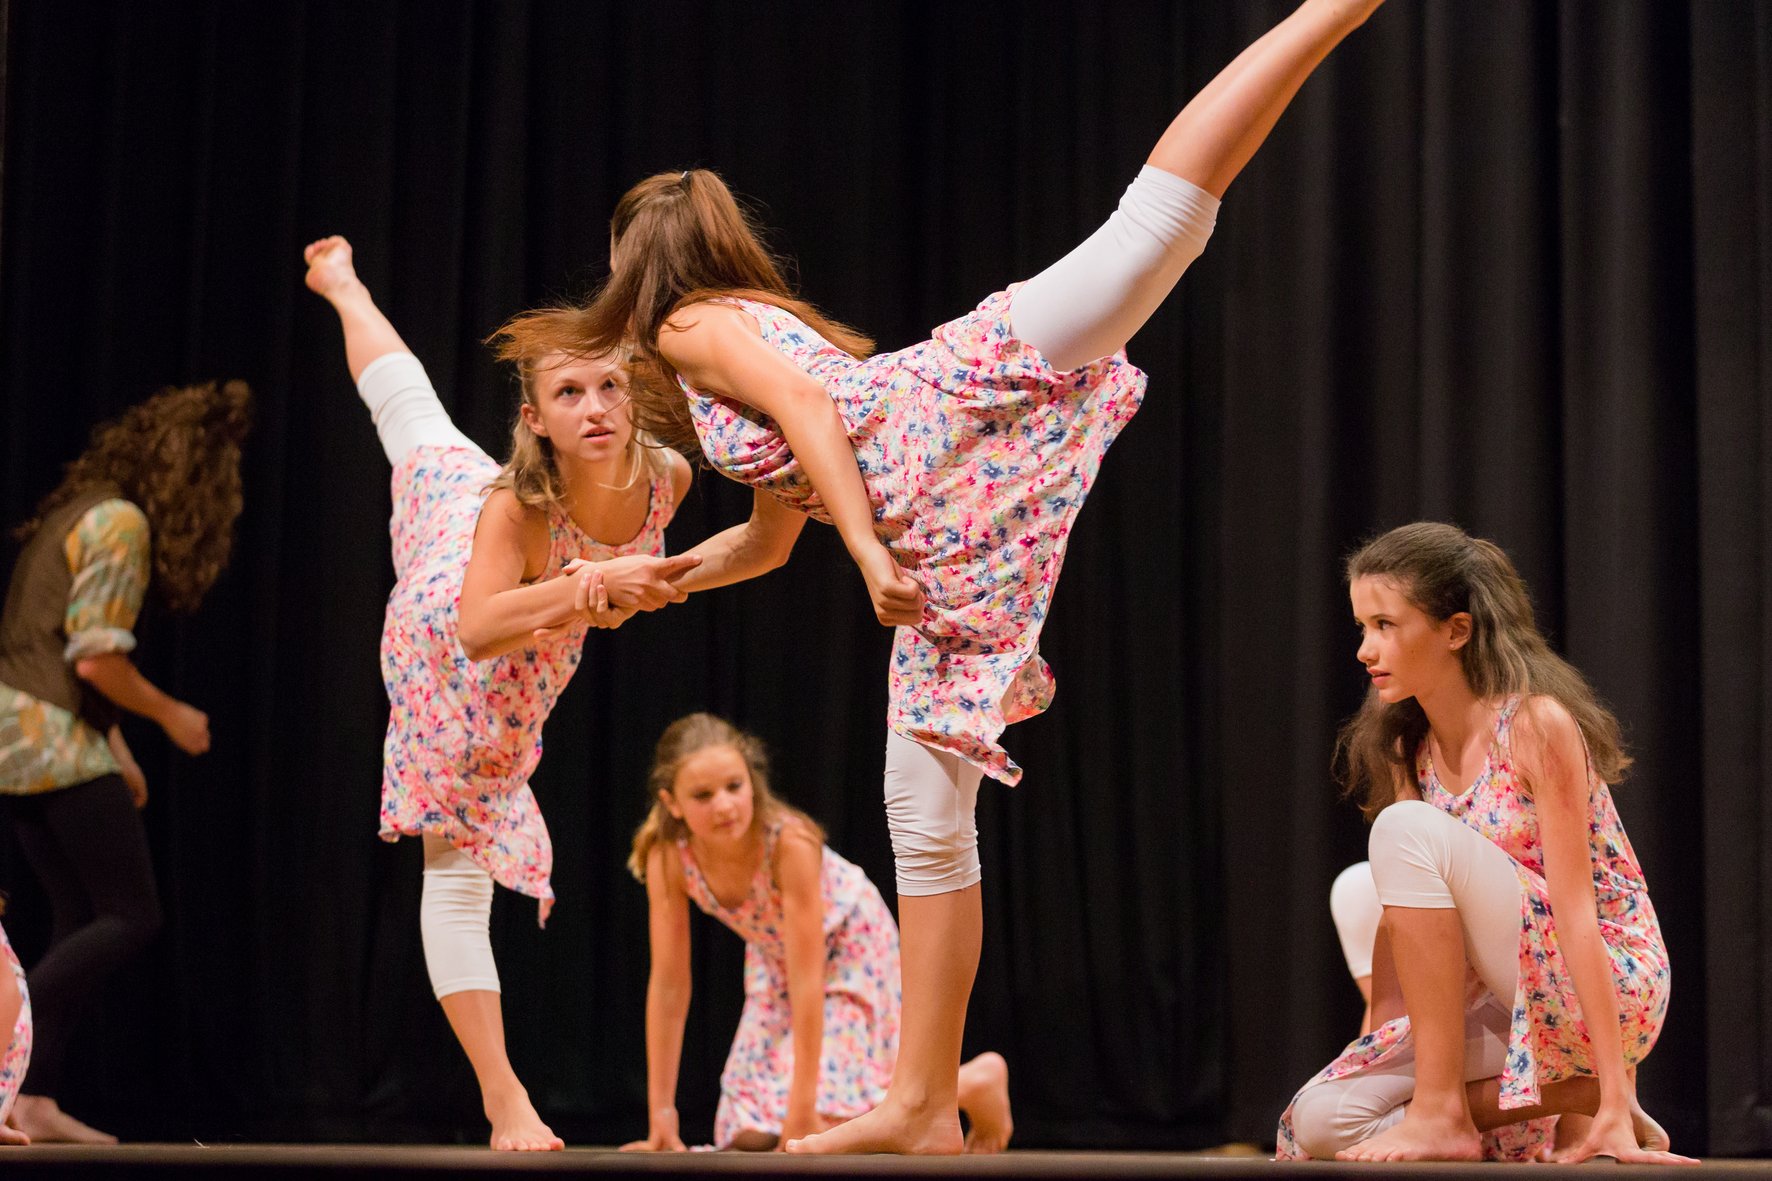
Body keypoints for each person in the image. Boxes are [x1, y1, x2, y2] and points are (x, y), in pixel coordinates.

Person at [497, 0, 1387, 1153]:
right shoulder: (741, 323)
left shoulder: (684, 326)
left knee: (1155, 224)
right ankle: (922, 1099)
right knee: (923, 812)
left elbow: (815, 413)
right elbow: (769, 536)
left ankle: (1325, 11)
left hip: (942, 424)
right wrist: (659, 573)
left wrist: (868, 548)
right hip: (939, 502)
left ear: (639, 265)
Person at [303, 236, 698, 1150]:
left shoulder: (666, 479)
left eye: (609, 386)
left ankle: (346, 288)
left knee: (414, 420)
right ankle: (503, 1097)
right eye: (570, 394)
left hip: (471, 539)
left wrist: (606, 593)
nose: (595, 409)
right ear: (536, 419)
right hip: (453, 658)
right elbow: (480, 628)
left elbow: (625, 588)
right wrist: (585, 589)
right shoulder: (518, 502)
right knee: (457, 869)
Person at [1278, 522, 1693, 1164]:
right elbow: (1403, 932)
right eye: (1362, 627)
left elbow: (1578, 913)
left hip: (1611, 982)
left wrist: (1619, 1088)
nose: (1364, 649)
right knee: (1322, 1120)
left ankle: (1466, 1109)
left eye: (1385, 625)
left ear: (1456, 631)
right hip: (1503, 992)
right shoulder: (1406, 743)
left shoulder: (1534, 724)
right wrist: (1377, 1053)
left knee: (1400, 831)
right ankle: (1562, 1095)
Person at [0, 379, 249, 1143]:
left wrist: (118, 754)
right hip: (46, 738)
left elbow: (58, 650)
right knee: (131, 912)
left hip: (23, 737)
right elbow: (96, 660)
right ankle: (7, 1050)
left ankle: (33, 1096)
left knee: (80, 913)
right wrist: (173, 716)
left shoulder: (79, 510)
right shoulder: (122, 521)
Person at [621, 713, 1012, 1153]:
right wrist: (662, 1116)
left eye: (734, 786)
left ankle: (972, 1082)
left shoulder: (788, 843)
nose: (725, 805)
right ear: (671, 803)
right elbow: (670, 986)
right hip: (775, 961)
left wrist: (801, 1109)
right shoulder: (669, 857)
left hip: (851, 947)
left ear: (752, 781)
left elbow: (808, 980)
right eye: (703, 795)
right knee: (743, 1130)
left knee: (830, 1119)